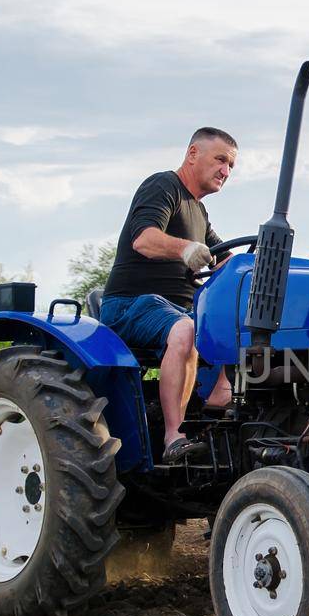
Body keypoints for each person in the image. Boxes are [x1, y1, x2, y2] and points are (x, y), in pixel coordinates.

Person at [101, 127, 238, 462]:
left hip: (178, 309)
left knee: (241, 326)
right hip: (132, 304)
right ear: (193, 153)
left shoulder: (199, 211)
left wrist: (254, 266)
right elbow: (144, 240)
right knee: (188, 330)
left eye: (232, 166)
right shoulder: (164, 187)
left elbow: (223, 257)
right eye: (221, 159)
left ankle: (221, 404)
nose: (226, 170)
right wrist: (185, 248)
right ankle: (174, 436)